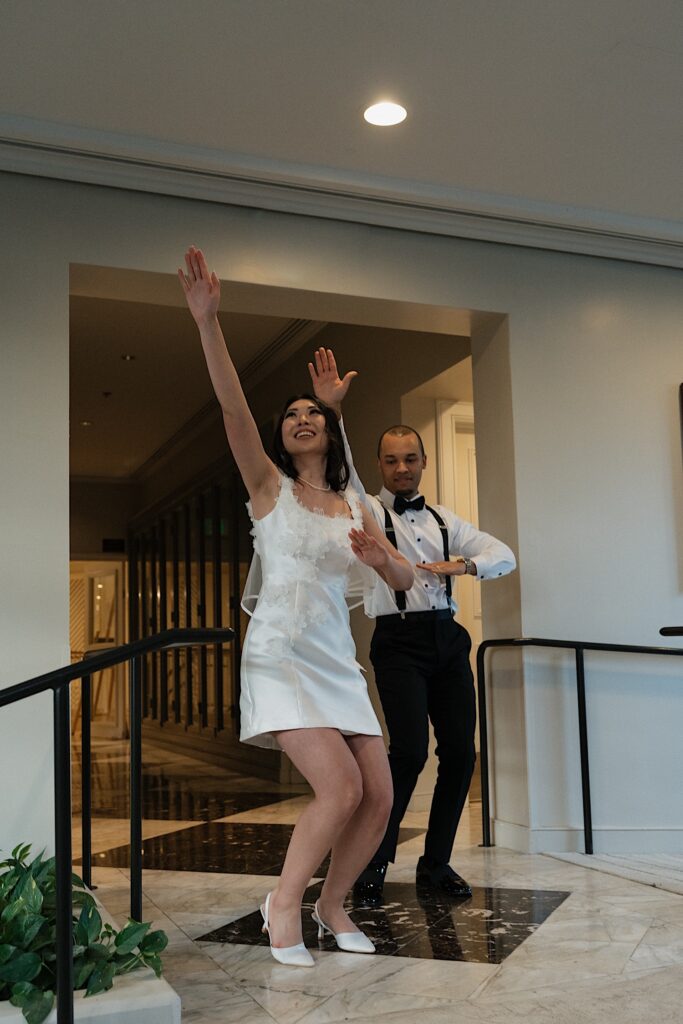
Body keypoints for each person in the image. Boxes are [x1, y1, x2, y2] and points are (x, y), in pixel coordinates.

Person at [178, 249, 414, 966]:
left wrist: (381, 559)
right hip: (279, 653)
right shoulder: (266, 488)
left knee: (378, 795)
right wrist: (207, 322)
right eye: (293, 415)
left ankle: (331, 903)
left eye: (315, 412)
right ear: (280, 435)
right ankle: (282, 902)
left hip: (335, 658)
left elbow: (404, 580)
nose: (302, 419)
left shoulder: (354, 503)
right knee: (337, 788)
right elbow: (229, 405)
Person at [309, 347, 516, 903]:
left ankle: (436, 864)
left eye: (410, 459)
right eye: (392, 460)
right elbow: (344, 473)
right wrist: (332, 413)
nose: (402, 468)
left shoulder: (448, 519)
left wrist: (466, 565)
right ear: (381, 466)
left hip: (448, 637)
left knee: (462, 754)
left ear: (423, 462)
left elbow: (504, 554)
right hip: (398, 643)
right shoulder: (368, 512)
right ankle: (372, 860)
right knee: (408, 753)